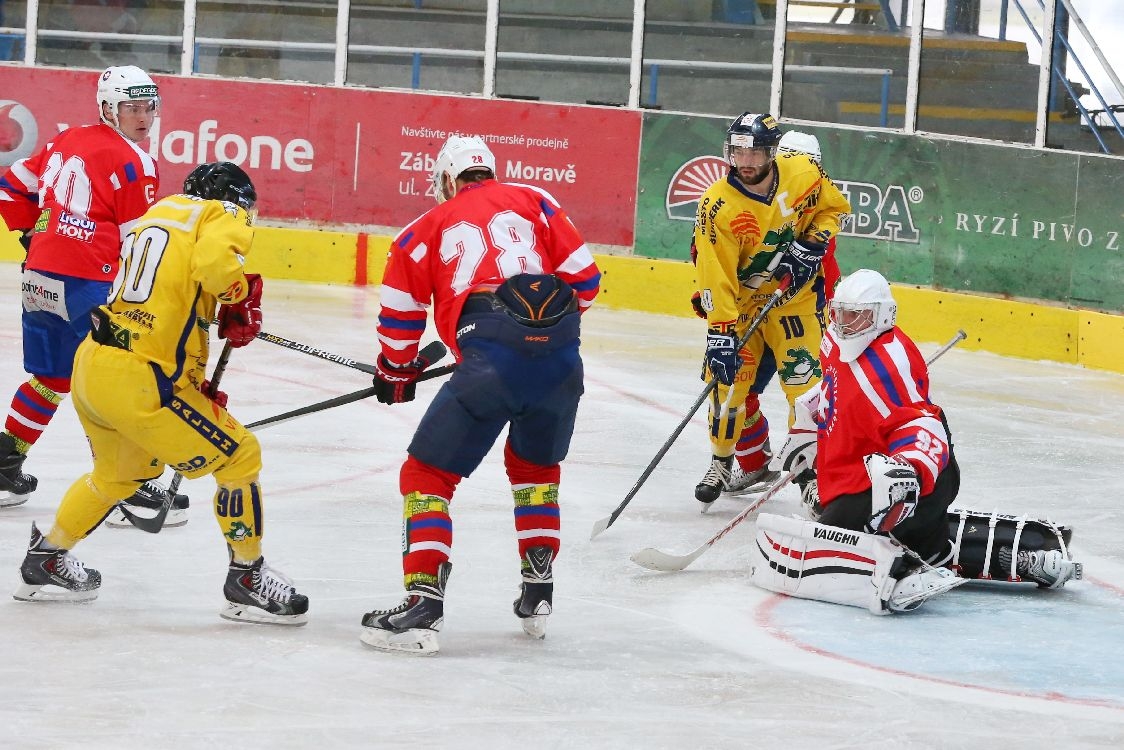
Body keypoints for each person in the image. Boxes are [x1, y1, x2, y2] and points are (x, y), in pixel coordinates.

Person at [11, 162, 310, 625]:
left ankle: (46, 559)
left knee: (118, 475)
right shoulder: (221, 214)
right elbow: (215, 268)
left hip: (95, 365)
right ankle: (247, 577)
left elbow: (165, 306)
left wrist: (192, 384)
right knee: (240, 457)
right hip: (140, 380)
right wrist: (237, 297)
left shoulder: (160, 213)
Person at [359, 135, 600, 655]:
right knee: (535, 469)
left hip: (490, 353)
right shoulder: (536, 200)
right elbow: (585, 282)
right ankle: (538, 588)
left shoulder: (421, 230)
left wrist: (396, 371)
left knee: (427, 474)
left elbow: (400, 320)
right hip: (561, 356)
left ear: (448, 180)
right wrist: (532, 335)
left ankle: (423, 603)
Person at [752, 269, 1082, 614]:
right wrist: (810, 422)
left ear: (881, 316)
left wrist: (907, 471)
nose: (843, 323)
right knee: (929, 546)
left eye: (855, 315)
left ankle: (903, 572)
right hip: (861, 476)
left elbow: (922, 424)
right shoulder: (835, 341)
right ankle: (1020, 559)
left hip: (906, 482)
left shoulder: (887, 366)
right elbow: (836, 386)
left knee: (833, 540)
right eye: (839, 312)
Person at [0, 65, 188, 521]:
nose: (143, 116)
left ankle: (4, 467)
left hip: (39, 276)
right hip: (88, 284)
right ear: (108, 108)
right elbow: (137, 246)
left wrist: (33, 236)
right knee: (117, 383)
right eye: (131, 107)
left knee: (52, 378)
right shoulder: (137, 163)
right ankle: (129, 484)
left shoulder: (64, 140)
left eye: (149, 107)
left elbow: (9, 187)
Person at [691, 113, 851, 510]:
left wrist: (812, 243)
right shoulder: (716, 206)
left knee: (807, 391)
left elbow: (833, 210)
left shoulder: (801, 173)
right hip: (743, 308)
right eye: (738, 151)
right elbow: (715, 274)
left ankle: (812, 475)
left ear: (772, 152)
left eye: (756, 152)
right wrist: (720, 332)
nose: (745, 161)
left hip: (792, 303)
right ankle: (721, 462)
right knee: (727, 390)